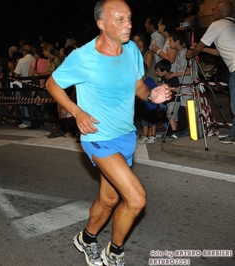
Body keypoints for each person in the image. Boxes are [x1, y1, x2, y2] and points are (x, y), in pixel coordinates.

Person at [45, 1, 172, 265]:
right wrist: (77, 111)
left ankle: (86, 239)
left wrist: (151, 94)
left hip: (126, 135)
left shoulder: (132, 52)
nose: (128, 25)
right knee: (136, 199)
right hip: (98, 137)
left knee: (109, 199)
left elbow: (137, 85)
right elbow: (52, 83)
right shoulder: (83, 56)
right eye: (120, 20)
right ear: (101, 24)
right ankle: (114, 252)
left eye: (129, 18)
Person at [187, 1, 235, 144]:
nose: (213, 13)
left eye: (214, 11)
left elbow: (200, 46)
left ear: (220, 12)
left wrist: (192, 52)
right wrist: (201, 49)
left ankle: (233, 136)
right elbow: (220, 52)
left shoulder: (217, 24)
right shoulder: (231, 25)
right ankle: (233, 135)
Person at [155, 59, 181, 139]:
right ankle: (172, 131)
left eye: (158, 71)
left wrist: (167, 86)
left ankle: (174, 132)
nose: (157, 73)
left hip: (174, 100)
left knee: (170, 115)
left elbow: (178, 89)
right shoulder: (163, 78)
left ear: (165, 71)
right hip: (168, 101)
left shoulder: (173, 78)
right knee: (171, 116)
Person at [137, 63, 158, 144]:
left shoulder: (149, 81)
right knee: (144, 122)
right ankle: (145, 136)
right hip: (142, 106)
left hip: (151, 106)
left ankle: (153, 136)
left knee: (152, 122)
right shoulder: (139, 83)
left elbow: (155, 89)